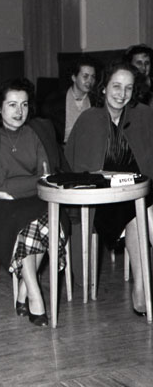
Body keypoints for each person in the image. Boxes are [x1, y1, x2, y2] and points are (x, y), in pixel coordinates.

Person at [0, 78, 68, 327]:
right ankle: (35, 295)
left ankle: (24, 291)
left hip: (38, 199)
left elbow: (45, 176)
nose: (20, 111)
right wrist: (30, 182)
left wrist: (18, 186)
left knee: (50, 221)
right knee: (26, 225)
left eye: (24, 104)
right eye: (12, 105)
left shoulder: (37, 132)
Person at [66, 62, 153, 316]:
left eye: (128, 88)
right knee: (140, 214)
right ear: (103, 88)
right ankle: (142, 292)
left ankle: (142, 291)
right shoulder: (89, 119)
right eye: (116, 86)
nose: (122, 94)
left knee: (145, 212)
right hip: (103, 200)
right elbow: (77, 168)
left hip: (141, 193)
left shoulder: (143, 116)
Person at [40, 57, 98, 144]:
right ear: (74, 78)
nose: (90, 81)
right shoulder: (54, 102)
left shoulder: (97, 102)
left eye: (93, 77)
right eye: (85, 76)